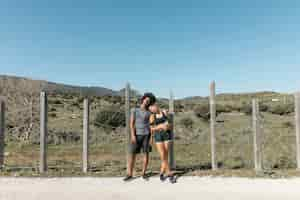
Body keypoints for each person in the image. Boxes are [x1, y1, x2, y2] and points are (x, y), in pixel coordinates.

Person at [123, 92, 156, 182]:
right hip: (137, 135)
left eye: (149, 101)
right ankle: (129, 174)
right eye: (146, 99)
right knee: (132, 155)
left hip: (146, 135)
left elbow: (151, 125)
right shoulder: (135, 110)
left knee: (146, 154)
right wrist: (133, 136)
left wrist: (151, 138)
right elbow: (131, 123)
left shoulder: (149, 112)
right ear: (143, 99)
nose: (147, 101)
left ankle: (143, 173)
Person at [149, 103, 176, 184]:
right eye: (150, 110)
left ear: (156, 106)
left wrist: (167, 126)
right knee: (163, 156)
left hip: (167, 135)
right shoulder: (152, 116)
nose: (152, 110)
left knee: (165, 156)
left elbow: (171, 125)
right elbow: (151, 129)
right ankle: (169, 174)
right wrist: (160, 126)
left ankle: (161, 173)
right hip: (158, 136)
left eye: (153, 108)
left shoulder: (164, 113)